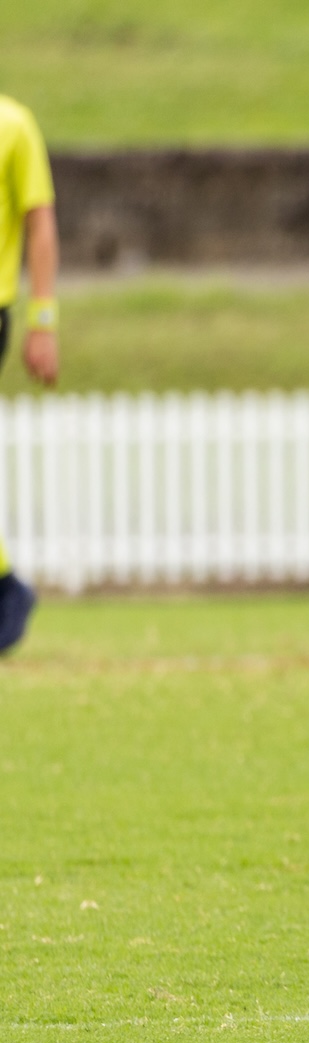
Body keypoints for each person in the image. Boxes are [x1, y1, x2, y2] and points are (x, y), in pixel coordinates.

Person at [0, 92, 59, 655]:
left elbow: (39, 225)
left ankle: (6, 591)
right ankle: (6, 588)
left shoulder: (13, 124)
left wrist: (43, 319)